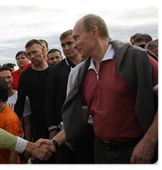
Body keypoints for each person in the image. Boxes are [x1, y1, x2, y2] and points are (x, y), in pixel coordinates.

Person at [39, 14, 159, 165]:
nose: (74, 45)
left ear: (94, 32)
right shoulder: (81, 73)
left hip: (136, 152)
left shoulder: (137, 59)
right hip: (101, 152)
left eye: (76, 38)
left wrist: (149, 141)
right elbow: (80, 118)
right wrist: (55, 142)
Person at [44, 29, 95, 164]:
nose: (66, 48)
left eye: (69, 43)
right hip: (64, 126)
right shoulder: (55, 71)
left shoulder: (94, 65)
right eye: (63, 45)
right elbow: (50, 100)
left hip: (92, 127)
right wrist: (53, 128)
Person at [15, 39, 54, 164]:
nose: (31, 57)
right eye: (29, 54)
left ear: (43, 50)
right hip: (39, 124)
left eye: (34, 52)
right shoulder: (26, 76)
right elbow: (20, 103)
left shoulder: (55, 70)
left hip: (59, 122)